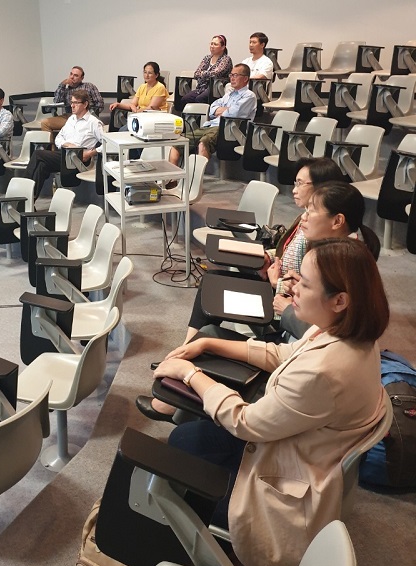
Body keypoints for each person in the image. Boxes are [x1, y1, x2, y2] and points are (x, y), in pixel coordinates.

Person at [153, 239, 389, 566]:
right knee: (186, 439)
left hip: (288, 481)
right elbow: (284, 355)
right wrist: (209, 343)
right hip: (303, 449)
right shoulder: (348, 331)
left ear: (339, 300)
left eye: (305, 284)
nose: (292, 287)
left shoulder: (325, 371)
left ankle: (219, 551)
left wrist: (191, 375)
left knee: (179, 460)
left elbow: (244, 422)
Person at [137, 175, 378, 421]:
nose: (303, 211)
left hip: (283, 321)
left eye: (311, 207)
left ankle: (180, 396)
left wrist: (280, 290)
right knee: (211, 308)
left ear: (337, 220)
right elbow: (295, 342)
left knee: (188, 435)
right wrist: (275, 269)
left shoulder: (339, 265)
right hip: (286, 324)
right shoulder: (326, 251)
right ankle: (182, 371)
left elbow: (247, 421)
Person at [169, 63, 256, 165]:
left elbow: (232, 114)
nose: (232, 78)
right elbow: (212, 109)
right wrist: (225, 110)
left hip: (227, 130)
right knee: (178, 142)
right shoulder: (229, 94)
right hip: (210, 125)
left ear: (245, 78)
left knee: (203, 143)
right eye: (231, 75)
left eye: (235, 75)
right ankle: (173, 175)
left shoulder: (249, 96)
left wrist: (222, 111)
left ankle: (199, 174)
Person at [25, 90, 104, 199]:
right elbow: (58, 138)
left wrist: (90, 153)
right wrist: (66, 144)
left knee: (38, 154)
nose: (72, 106)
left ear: (85, 104)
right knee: (41, 166)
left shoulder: (94, 122)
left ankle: (23, 193)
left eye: (76, 103)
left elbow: (107, 143)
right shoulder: (71, 119)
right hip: (65, 153)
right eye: (72, 102)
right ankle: (29, 201)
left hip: (79, 158)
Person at [40, 66, 104, 137]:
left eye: (76, 75)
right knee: (45, 123)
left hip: (85, 117)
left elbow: (100, 104)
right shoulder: (65, 90)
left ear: (82, 78)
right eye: (71, 74)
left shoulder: (89, 86)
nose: (72, 77)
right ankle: (50, 145)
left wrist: (88, 115)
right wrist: (62, 85)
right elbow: (56, 101)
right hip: (68, 117)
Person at [179, 35, 233, 107]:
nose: (212, 46)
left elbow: (216, 74)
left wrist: (203, 73)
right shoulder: (207, 58)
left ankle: (204, 114)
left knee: (200, 99)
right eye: (211, 44)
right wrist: (205, 74)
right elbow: (196, 74)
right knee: (185, 99)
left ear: (223, 47)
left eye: (215, 44)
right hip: (201, 88)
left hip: (215, 89)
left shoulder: (226, 59)